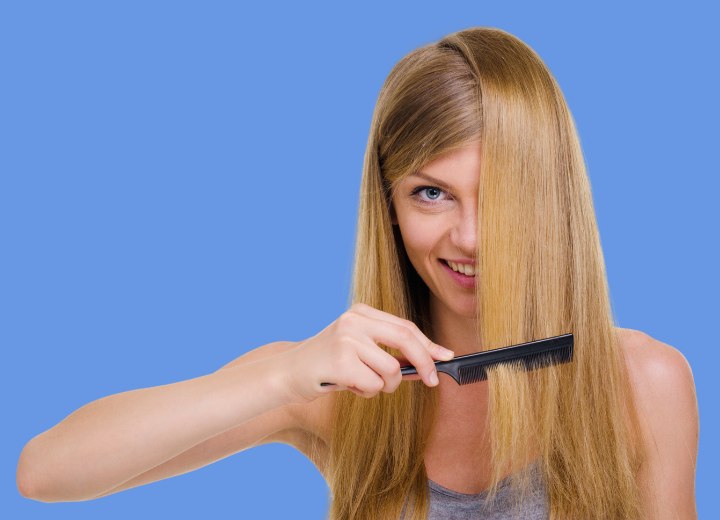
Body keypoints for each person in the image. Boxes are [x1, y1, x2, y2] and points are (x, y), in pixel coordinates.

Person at [16, 26, 698, 519]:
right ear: (390, 206)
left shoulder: (643, 383)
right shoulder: (339, 391)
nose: (470, 237)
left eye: (506, 197)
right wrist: (281, 375)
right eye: (431, 193)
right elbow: (45, 474)